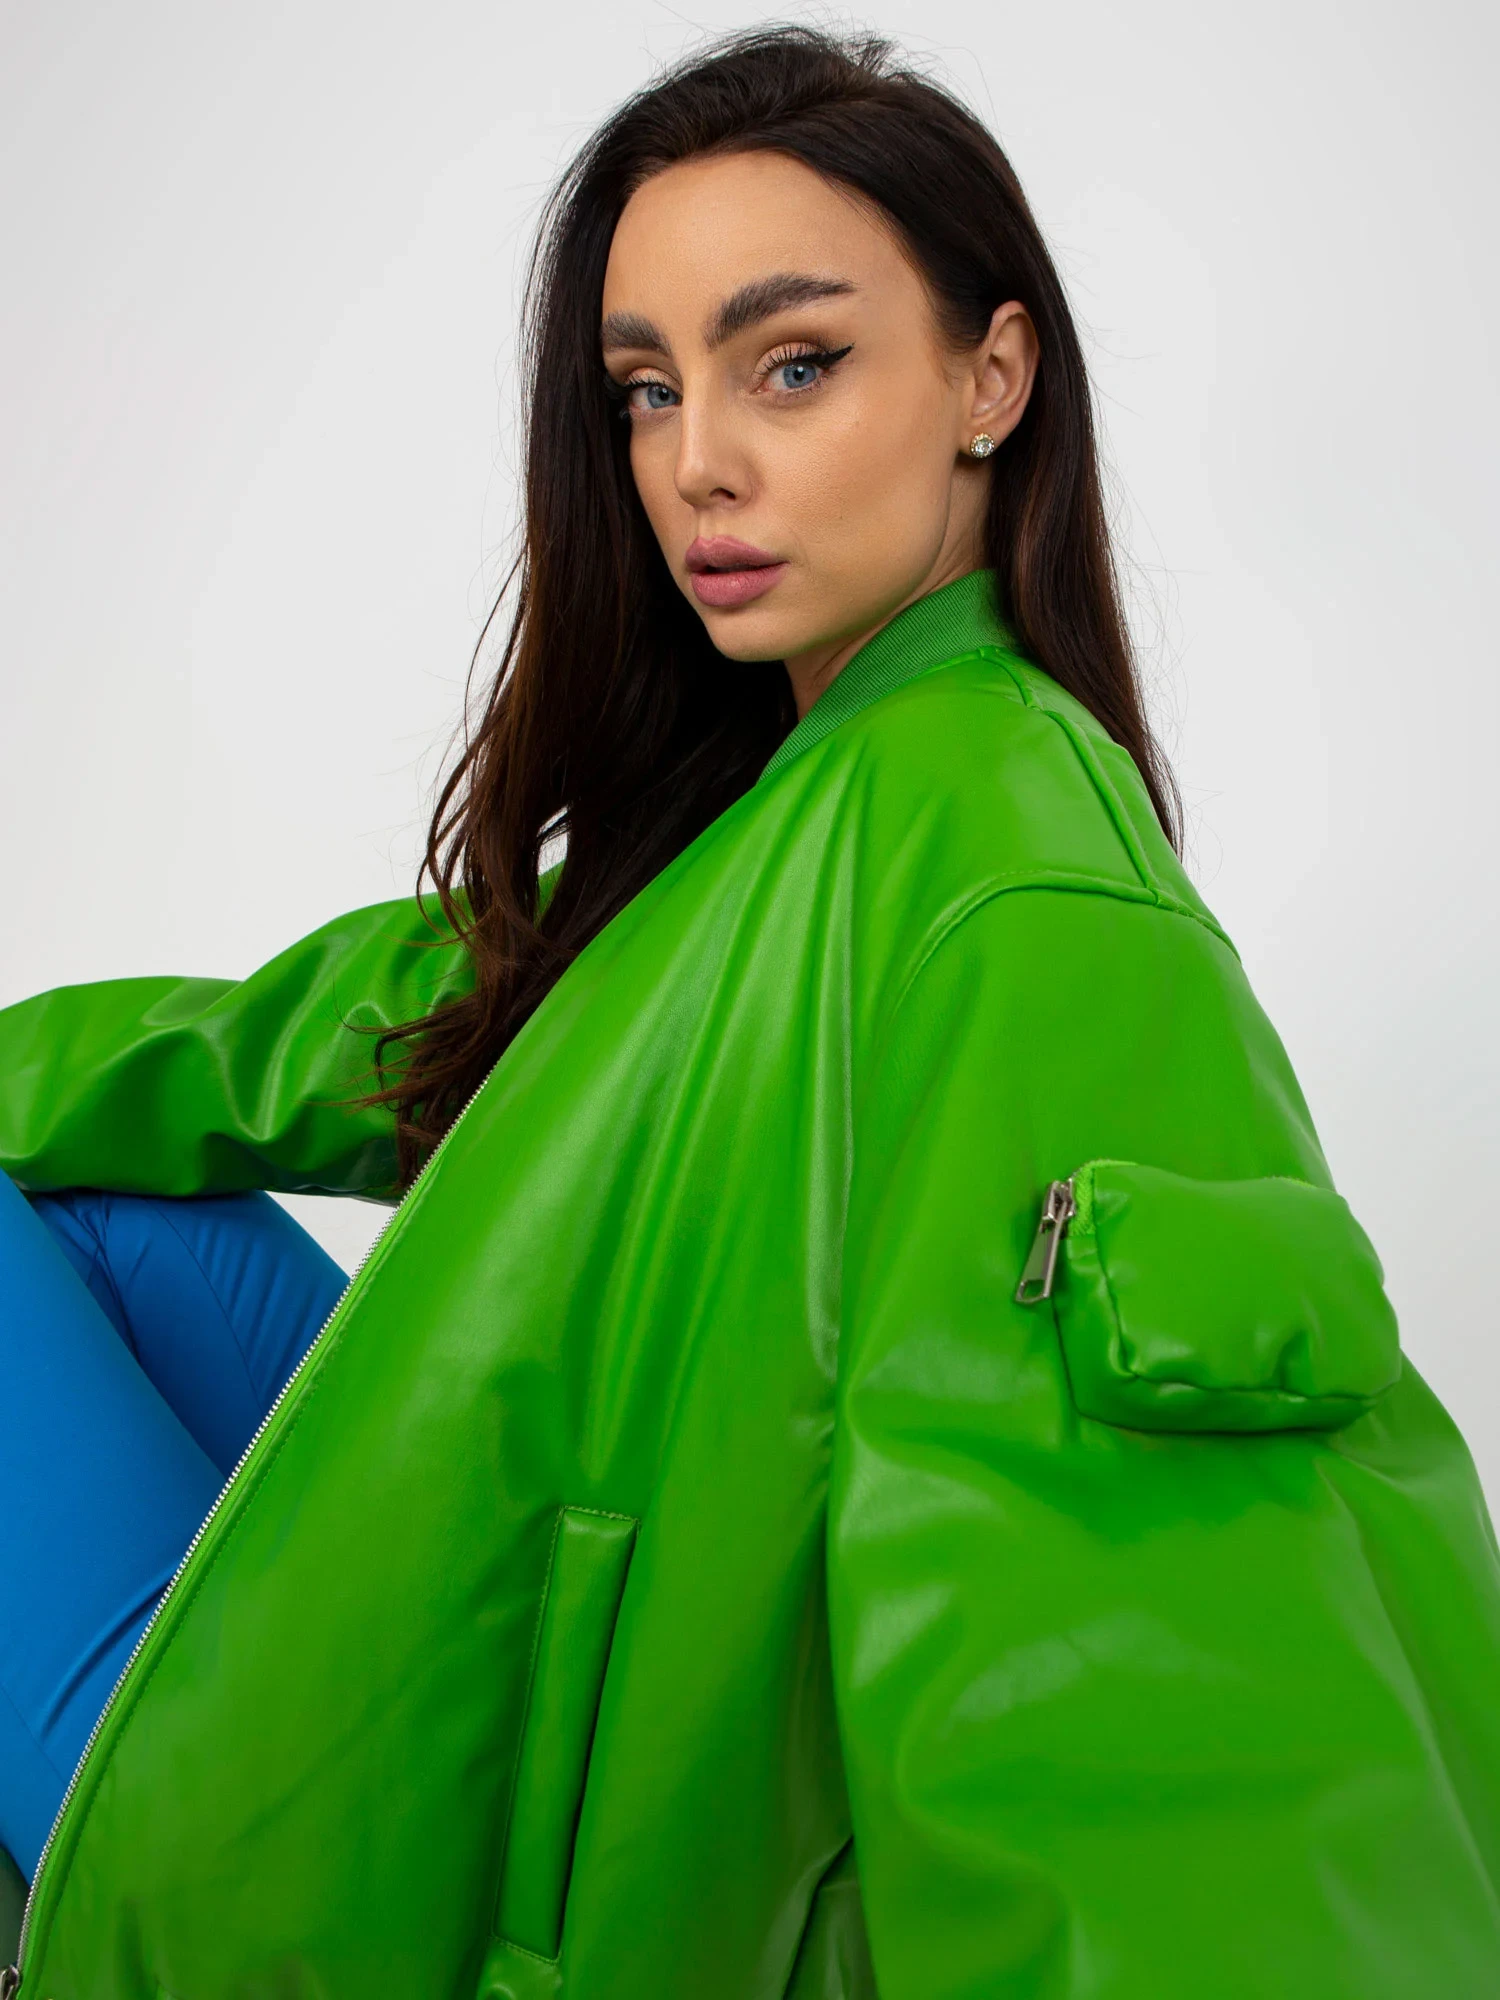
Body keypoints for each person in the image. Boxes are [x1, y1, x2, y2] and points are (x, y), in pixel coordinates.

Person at [2, 25, 1498, 2000]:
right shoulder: (779, 815)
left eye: (791, 363)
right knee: (98, 1202)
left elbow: (1097, 1624)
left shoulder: (1002, 861)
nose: (696, 458)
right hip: (547, 1664)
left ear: (993, 377)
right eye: (648, 388)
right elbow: (324, 1033)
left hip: (467, 1866)